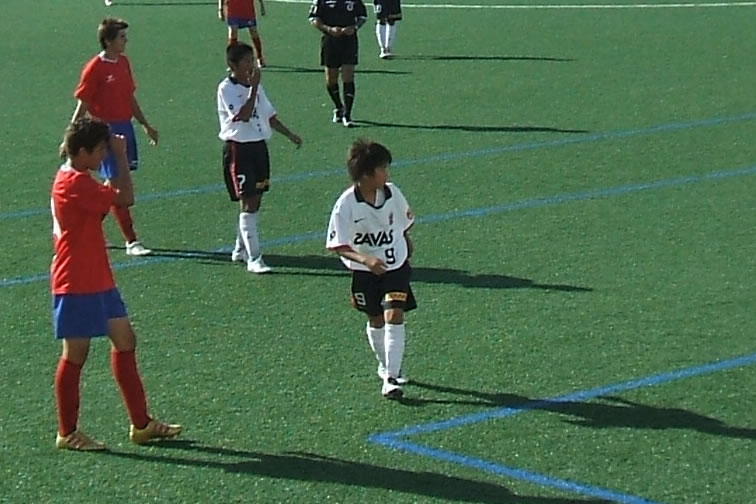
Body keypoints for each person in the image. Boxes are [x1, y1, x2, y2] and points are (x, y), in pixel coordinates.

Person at [51, 117, 182, 451]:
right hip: (76, 281)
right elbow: (125, 197)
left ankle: (141, 424)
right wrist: (121, 156)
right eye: (100, 151)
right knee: (75, 355)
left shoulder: (78, 178)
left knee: (125, 341)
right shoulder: (74, 184)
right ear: (82, 152)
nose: (103, 156)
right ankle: (67, 432)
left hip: (97, 277)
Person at [326, 139, 416, 398]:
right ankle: (385, 365)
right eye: (382, 169)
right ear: (366, 174)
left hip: (396, 267)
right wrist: (365, 260)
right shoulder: (346, 205)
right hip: (365, 272)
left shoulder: (392, 193)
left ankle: (391, 378)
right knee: (376, 319)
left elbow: (403, 223)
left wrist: (406, 242)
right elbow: (337, 245)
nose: (387, 173)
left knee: (394, 314)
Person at [65, 17, 159, 257]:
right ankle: (131, 241)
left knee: (113, 184)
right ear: (108, 41)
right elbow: (83, 104)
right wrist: (70, 136)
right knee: (119, 185)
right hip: (105, 133)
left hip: (125, 128)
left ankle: (87, 231)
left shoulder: (123, 62)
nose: (126, 41)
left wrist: (145, 125)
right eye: (121, 37)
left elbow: (129, 97)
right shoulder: (94, 67)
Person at [217, 42, 302, 274]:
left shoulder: (256, 87)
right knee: (249, 201)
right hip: (239, 150)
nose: (251, 65)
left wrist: (290, 135)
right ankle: (254, 258)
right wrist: (253, 88)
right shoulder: (226, 88)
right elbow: (243, 115)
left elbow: (269, 116)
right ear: (233, 64)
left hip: (258, 148)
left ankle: (240, 248)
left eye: (252, 60)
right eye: (246, 61)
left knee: (256, 200)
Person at [308, 0, 368, 128]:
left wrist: (354, 27)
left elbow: (362, 17)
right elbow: (313, 19)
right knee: (331, 78)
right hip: (330, 41)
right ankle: (339, 107)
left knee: (348, 75)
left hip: (349, 41)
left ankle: (347, 114)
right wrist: (328, 29)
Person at [219, 0, 266, 66]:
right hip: (233, 10)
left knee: (254, 32)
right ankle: (232, 61)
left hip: (247, 11)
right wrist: (220, 9)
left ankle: (259, 57)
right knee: (233, 34)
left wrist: (261, 5)